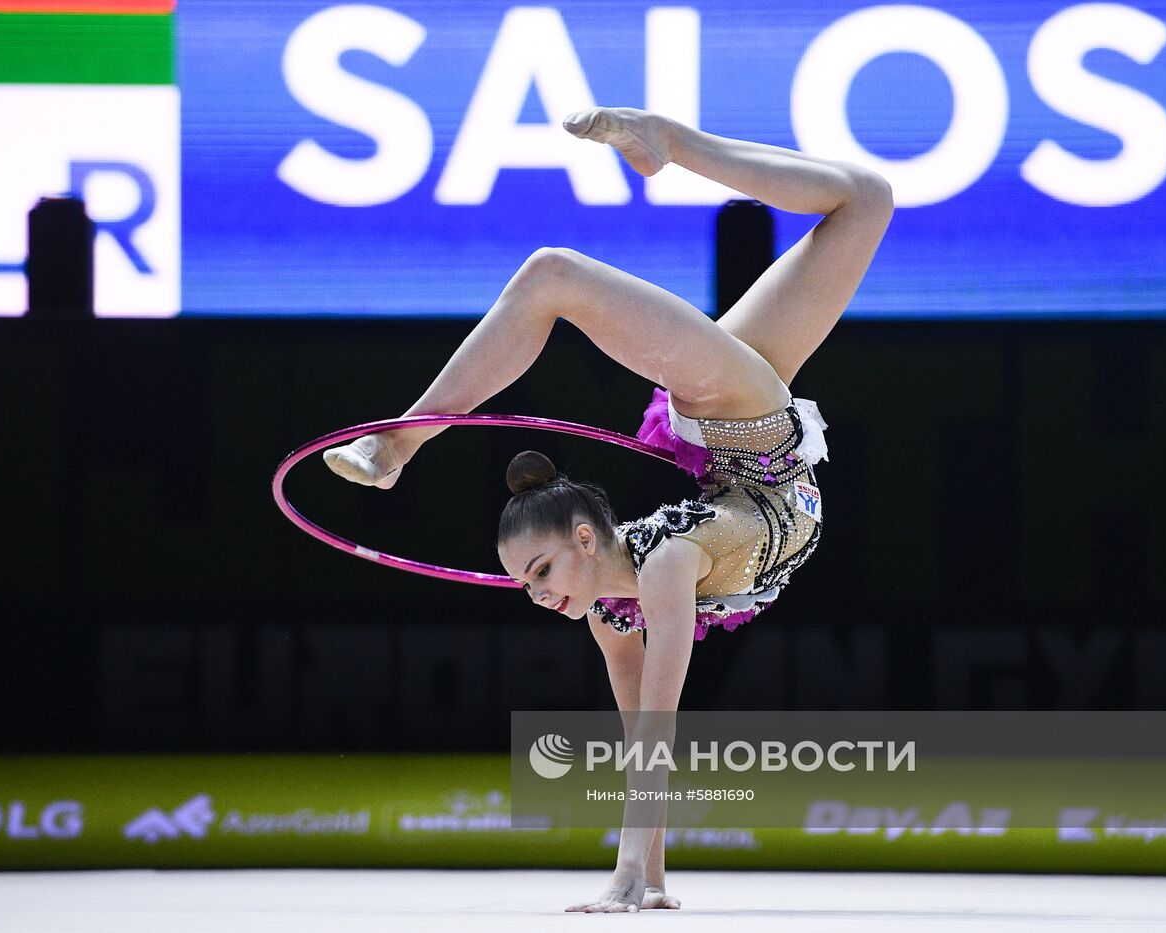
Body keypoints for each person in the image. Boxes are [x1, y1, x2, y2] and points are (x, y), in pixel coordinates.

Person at [324, 107, 893, 912]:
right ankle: (674, 143)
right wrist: (650, 880)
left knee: (553, 273)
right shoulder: (627, 600)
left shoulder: (662, 565)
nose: (541, 594)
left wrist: (625, 876)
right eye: (526, 584)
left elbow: (658, 731)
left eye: (544, 569)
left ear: (588, 537)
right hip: (748, 451)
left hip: (743, 426)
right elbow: (640, 734)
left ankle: (396, 445)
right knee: (865, 200)